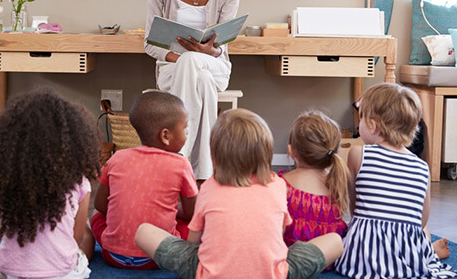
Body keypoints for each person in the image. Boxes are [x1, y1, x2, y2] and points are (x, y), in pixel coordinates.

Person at [135, 109, 343, 279]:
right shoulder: (278, 184)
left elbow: (192, 242)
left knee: (144, 231)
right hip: (275, 273)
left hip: (209, 272)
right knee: (335, 240)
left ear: (216, 156)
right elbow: (278, 235)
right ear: (265, 154)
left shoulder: (209, 186)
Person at [144, 0, 242, 180]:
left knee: (197, 67)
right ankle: (204, 172)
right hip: (173, 69)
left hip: (215, 64)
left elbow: (223, 45)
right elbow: (149, 44)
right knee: (199, 77)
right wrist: (182, 56)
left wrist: (210, 52)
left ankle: (176, 159)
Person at [335, 83, 457, 278]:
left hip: (362, 256)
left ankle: (425, 249)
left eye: (360, 119)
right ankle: (427, 250)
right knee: (424, 231)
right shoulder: (422, 167)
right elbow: (420, 221)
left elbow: (353, 208)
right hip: (406, 257)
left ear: (372, 125)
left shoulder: (358, 154)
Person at [0, 90, 101, 279]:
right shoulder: (79, 183)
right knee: (86, 236)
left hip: (13, 272)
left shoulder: (5, 180)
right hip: (62, 274)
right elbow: (76, 236)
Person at [91, 91, 198, 269]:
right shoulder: (180, 164)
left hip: (112, 255)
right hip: (156, 258)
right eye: (185, 127)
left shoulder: (116, 158)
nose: (187, 133)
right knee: (192, 225)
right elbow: (192, 214)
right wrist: (170, 210)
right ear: (166, 135)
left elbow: (101, 207)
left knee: (96, 217)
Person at [280, 111, 349, 270]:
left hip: (291, 261)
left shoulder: (281, 184)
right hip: (328, 259)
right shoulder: (337, 183)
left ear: (291, 151)